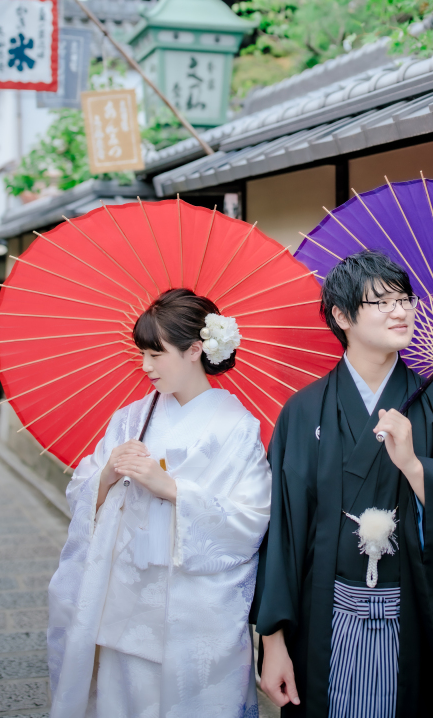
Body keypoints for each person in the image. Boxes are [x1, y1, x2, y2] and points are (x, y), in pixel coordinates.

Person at [253, 250, 433, 718]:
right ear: (342, 316)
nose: (400, 311)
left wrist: (415, 467)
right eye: (382, 302)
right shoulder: (302, 412)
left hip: (411, 619)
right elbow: (281, 533)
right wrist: (273, 641)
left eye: (405, 299)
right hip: (321, 618)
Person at [47, 288, 271, 718]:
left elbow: (251, 519)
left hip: (195, 612)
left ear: (195, 350)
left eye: (156, 354)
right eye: (142, 354)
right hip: (126, 599)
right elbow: (81, 492)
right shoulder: (132, 418)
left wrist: (172, 488)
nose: (145, 366)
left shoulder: (237, 428)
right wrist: (108, 473)